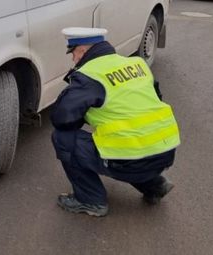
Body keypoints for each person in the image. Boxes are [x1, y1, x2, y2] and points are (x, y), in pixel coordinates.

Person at [50, 27, 180, 217]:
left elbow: (61, 118)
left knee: (63, 138)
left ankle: (90, 200)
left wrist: (84, 114)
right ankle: (155, 185)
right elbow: (154, 98)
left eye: (74, 53)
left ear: (84, 51)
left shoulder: (90, 75)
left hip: (129, 161)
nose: (73, 59)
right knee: (134, 142)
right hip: (166, 152)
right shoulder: (137, 63)